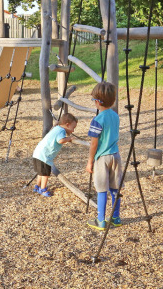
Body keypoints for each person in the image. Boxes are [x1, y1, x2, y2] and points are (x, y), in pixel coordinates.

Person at [86, 81, 122, 230]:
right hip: (115, 155)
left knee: (101, 189)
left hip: (102, 157)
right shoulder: (115, 116)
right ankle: (116, 217)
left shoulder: (97, 120)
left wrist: (90, 162)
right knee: (115, 188)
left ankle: (100, 220)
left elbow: (94, 144)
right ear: (113, 100)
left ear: (96, 102)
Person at [31, 113, 78, 197]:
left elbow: (52, 130)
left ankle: (37, 186)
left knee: (40, 172)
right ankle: (43, 189)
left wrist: (55, 124)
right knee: (45, 174)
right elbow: (60, 140)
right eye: (73, 128)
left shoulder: (57, 128)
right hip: (45, 156)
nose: (73, 131)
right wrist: (69, 139)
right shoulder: (62, 131)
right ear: (67, 125)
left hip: (38, 153)